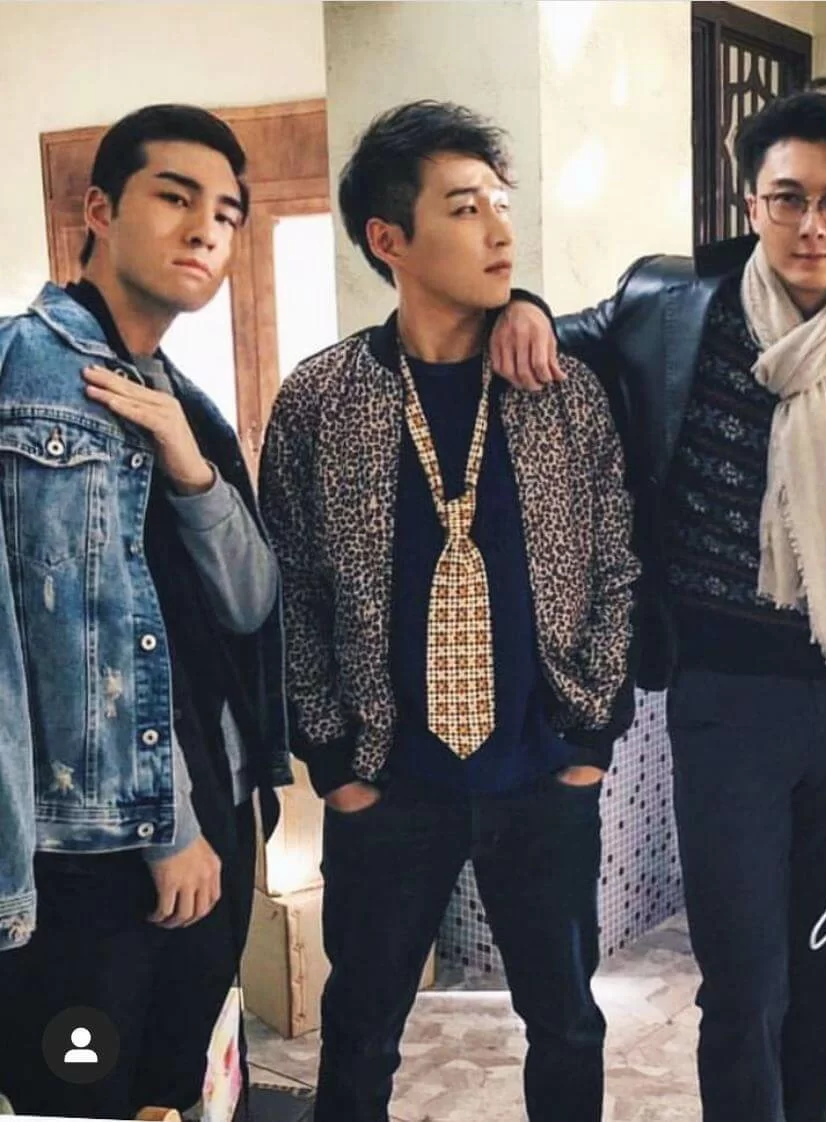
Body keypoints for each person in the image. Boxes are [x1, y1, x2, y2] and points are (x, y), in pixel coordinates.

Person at [492, 78, 826, 1122]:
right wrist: (521, 305)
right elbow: (565, 335)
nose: (812, 225)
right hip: (722, 706)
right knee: (743, 984)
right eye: (788, 198)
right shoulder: (669, 305)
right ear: (752, 205)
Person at [258, 100, 639, 1122]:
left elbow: (615, 564)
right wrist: (334, 766)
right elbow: (293, 592)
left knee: (567, 1024)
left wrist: (590, 738)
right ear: (389, 239)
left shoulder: (559, 389)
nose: (500, 230)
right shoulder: (321, 401)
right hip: (389, 785)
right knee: (360, 1030)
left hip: (542, 772)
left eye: (501, 205)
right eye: (466, 209)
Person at [0, 104, 290, 1120]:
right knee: (81, 1091)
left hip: (217, 810)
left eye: (228, 213)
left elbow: (250, 604)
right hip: (98, 846)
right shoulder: (28, 378)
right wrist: (166, 828)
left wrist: (192, 470)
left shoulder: (181, 401)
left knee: (177, 1088)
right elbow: (51, 645)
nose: (205, 228)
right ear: (98, 210)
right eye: (174, 197)